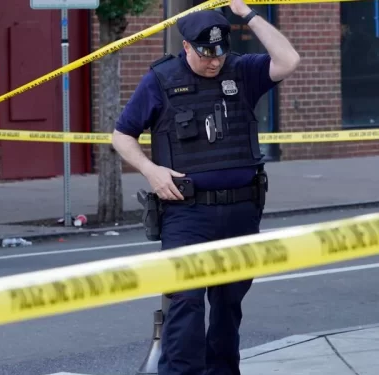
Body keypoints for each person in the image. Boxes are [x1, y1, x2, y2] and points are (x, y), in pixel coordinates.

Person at [111, 0, 300, 374]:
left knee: (229, 306)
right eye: (204, 54)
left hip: (241, 211)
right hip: (186, 212)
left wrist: (247, 14)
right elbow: (121, 135)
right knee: (186, 303)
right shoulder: (161, 80)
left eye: (219, 53)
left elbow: (288, 59)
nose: (213, 62)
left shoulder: (242, 71)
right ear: (186, 48)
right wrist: (151, 171)